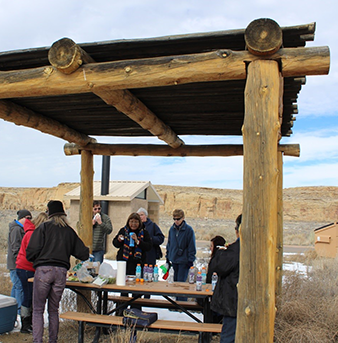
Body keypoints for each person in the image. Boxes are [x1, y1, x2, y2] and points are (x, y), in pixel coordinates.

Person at [26, 200, 89, 343]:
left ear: (49, 212)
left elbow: (31, 251)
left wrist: (37, 259)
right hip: (61, 272)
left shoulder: (43, 228)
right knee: (53, 310)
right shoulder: (69, 231)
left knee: (38, 310)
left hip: (43, 270)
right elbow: (83, 253)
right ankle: (52, 340)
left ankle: (38, 341)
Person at [16, 212, 48, 334]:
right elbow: (32, 253)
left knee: (30, 295)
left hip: (26, 267)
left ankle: (30, 322)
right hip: (26, 268)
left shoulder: (31, 232)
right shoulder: (32, 234)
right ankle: (26, 323)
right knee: (28, 296)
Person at [211, 214, 241, 343]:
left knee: (228, 337)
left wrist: (220, 253)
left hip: (233, 301)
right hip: (243, 302)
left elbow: (219, 267)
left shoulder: (236, 250)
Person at [7, 209, 32, 315]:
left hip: (16, 264)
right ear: (21, 218)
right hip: (16, 264)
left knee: (16, 286)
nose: (29, 220)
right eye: (27, 218)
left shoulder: (19, 229)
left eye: (30, 218)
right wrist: (20, 262)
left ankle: (11, 309)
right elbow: (15, 248)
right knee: (19, 287)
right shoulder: (17, 229)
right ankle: (18, 311)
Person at [166, 209, 196, 283]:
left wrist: (190, 260)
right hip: (173, 259)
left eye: (178, 219)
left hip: (184, 261)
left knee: (181, 282)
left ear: (183, 218)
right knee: (174, 282)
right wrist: (167, 257)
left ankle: (179, 295)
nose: (176, 221)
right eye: (174, 219)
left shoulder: (188, 230)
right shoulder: (172, 229)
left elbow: (191, 246)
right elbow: (169, 244)